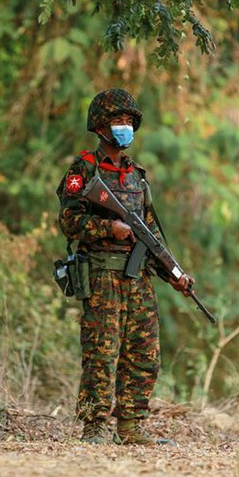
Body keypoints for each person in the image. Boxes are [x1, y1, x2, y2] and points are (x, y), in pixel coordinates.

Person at [56, 88, 194, 446]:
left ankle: (131, 426)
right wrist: (109, 228)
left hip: (137, 278)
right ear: (100, 126)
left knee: (143, 351)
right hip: (101, 274)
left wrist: (175, 275)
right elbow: (69, 221)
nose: (125, 127)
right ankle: (95, 426)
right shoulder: (83, 169)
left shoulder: (137, 175)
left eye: (129, 122)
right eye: (118, 121)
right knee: (101, 352)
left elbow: (150, 238)